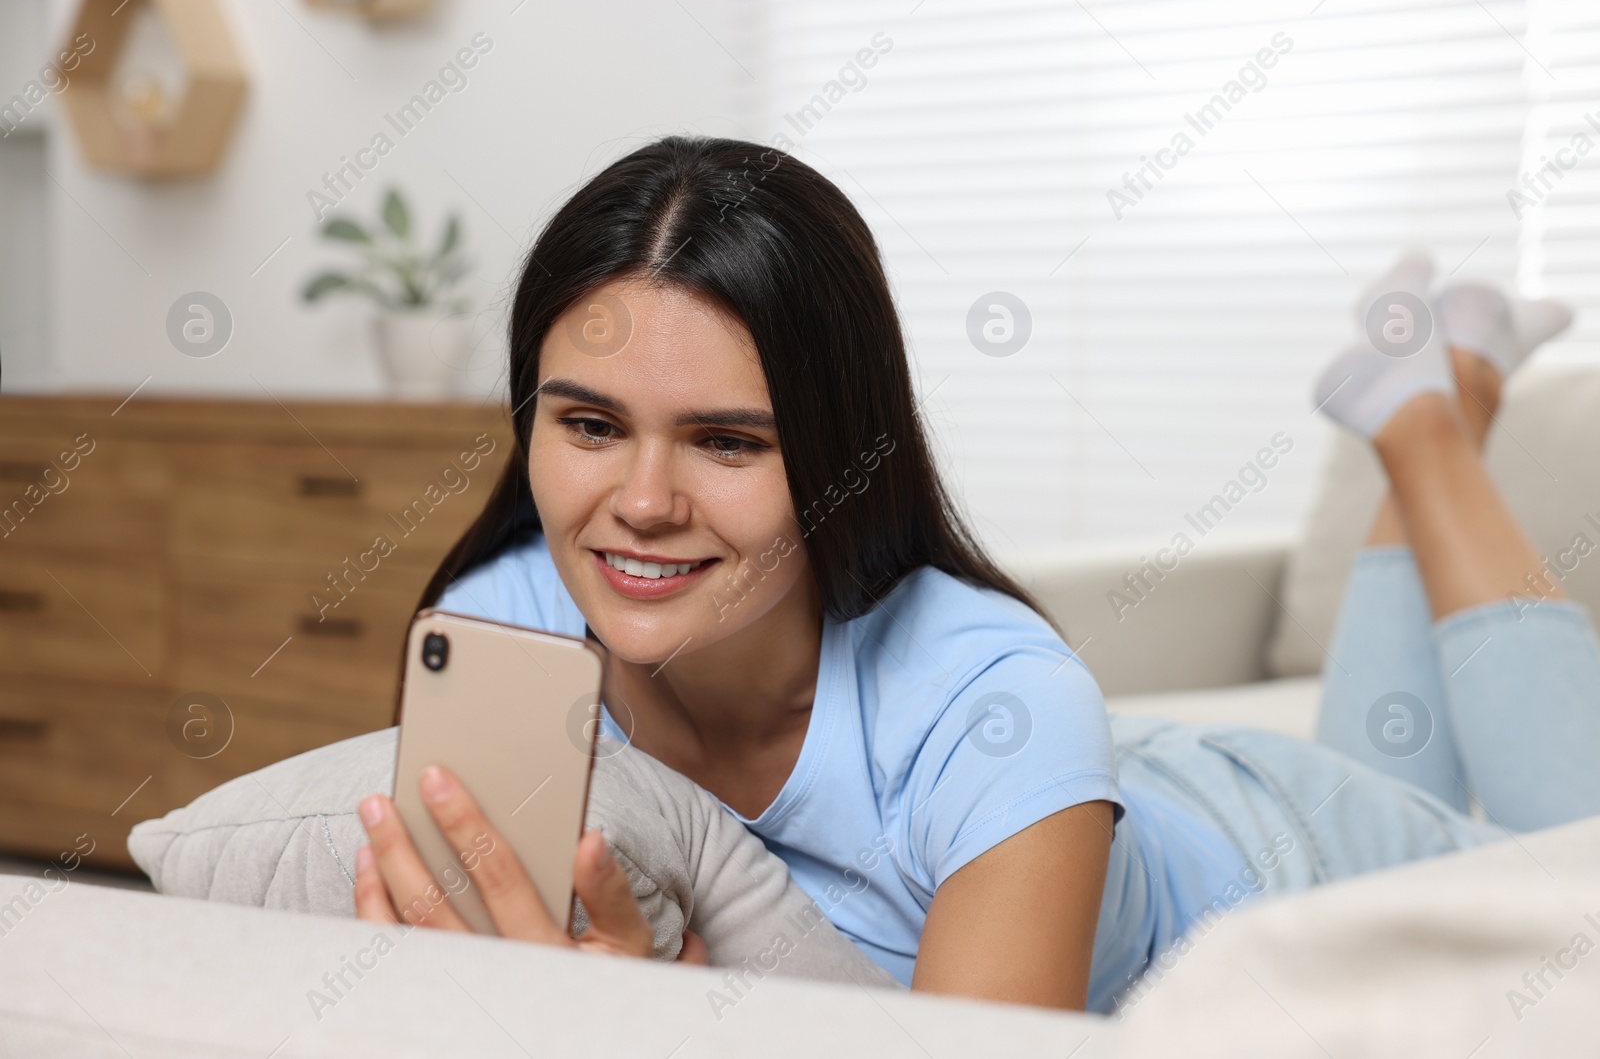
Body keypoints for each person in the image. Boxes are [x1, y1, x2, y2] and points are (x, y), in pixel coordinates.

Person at [349, 136, 1600, 1013]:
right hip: (1085, 786)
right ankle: (1442, 380)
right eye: (589, 424)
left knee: (1576, 857)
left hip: (1281, 856)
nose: (640, 503)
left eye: (727, 440)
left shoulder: (987, 690)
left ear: (841, 447)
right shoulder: (503, 624)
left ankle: (1431, 423)